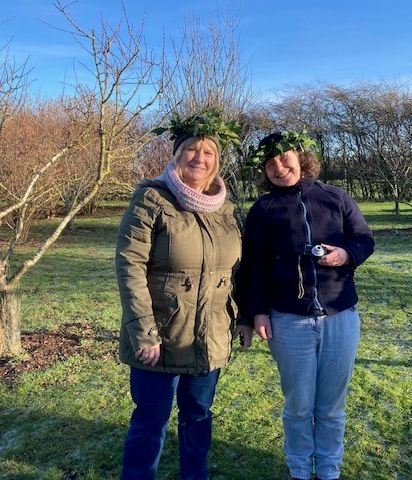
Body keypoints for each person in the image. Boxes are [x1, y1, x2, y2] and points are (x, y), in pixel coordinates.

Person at [115, 109, 252, 480]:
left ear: (217, 161)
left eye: (208, 152)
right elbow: (130, 268)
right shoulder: (152, 200)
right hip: (160, 336)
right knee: (150, 422)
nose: (199, 158)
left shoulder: (226, 210)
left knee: (198, 417)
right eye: (191, 149)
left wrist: (243, 319)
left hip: (209, 337)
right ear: (177, 155)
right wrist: (142, 331)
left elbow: (238, 271)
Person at [238, 131, 374, 480]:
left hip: (340, 315)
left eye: (284, 159)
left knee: (331, 407)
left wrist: (347, 255)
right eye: (270, 165)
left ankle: (328, 470)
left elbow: (364, 238)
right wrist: (256, 311)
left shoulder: (334, 197)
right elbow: (251, 265)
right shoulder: (262, 210)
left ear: (300, 157)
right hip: (288, 320)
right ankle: (300, 470)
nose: (279, 168)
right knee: (298, 406)